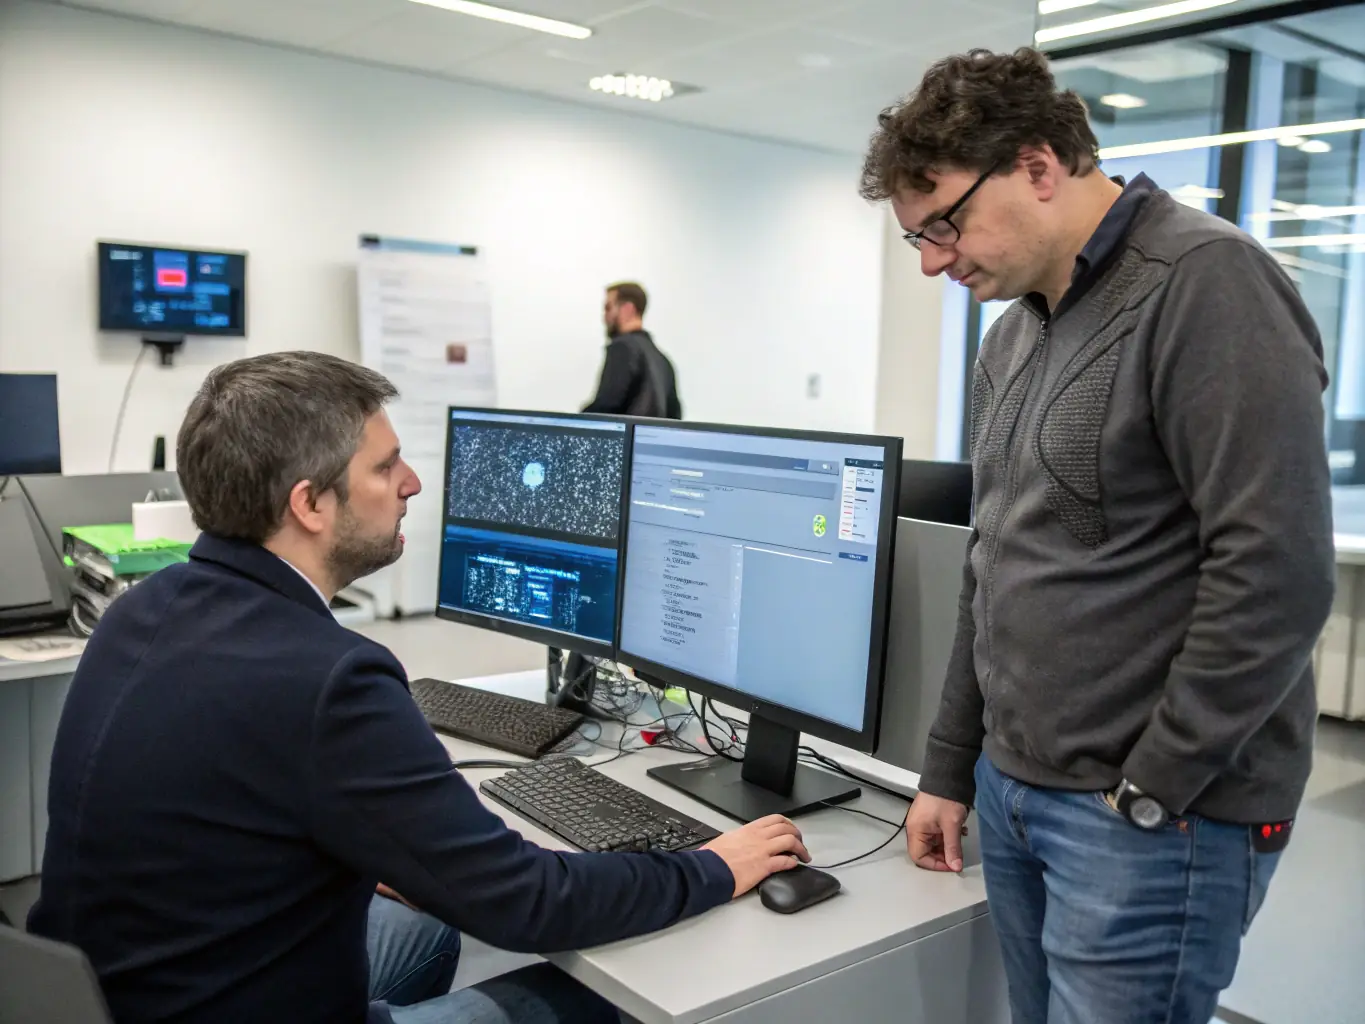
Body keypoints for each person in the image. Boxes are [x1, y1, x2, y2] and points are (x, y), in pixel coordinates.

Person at [28, 351, 808, 1024]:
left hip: (115, 995)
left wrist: (375, 848)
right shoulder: (329, 676)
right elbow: (524, 903)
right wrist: (712, 865)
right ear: (308, 503)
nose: (410, 484)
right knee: (592, 1004)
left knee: (427, 931)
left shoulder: (144, 606)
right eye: (383, 466)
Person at [859, 48, 1334, 1024]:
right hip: (1015, 790)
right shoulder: (1014, 335)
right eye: (916, 238)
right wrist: (951, 768)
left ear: (1038, 164)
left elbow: (1275, 576)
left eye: (943, 222)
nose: (934, 260)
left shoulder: (1207, 284)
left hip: (1155, 816)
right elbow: (991, 567)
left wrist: (1153, 790)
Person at [584, 282, 682, 418]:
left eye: (608, 308)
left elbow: (606, 406)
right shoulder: (664, 361)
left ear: (628, 309)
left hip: (626, 438)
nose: (604, 316)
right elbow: (674, 417)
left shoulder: (623, 347)